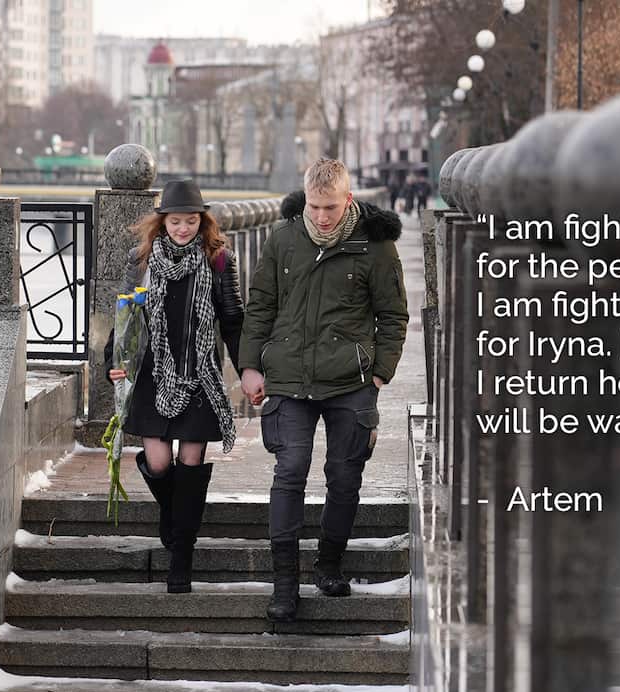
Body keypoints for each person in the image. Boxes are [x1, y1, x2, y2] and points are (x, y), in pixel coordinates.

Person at [238, 158, 409, 622]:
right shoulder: (284, 239)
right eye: (314, 206)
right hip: (290, 378)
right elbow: (260, 308)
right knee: (289, 470)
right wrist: (249, 366)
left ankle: (329, 565)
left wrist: (379, 375)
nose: (321, 217)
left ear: (348, 200)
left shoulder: (375, 248)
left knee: (344, 474)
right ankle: (284, 585)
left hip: (350, 382)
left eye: (330, 207)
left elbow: (393, 316)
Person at [105, 178, 245, 594]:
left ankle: (181, 555)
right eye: (175, 221)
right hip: (153, 372)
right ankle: (173, 517)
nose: (182, 229)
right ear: (161, 221)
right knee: (160, 462)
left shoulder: (219, 260)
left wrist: (250, 369)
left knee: (190, 460)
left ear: (202, 223)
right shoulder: (143, 258)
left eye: (190, 222)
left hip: (200, 373)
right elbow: (126, 314)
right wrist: (115, 362)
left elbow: (234, 320)